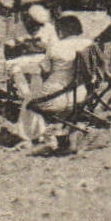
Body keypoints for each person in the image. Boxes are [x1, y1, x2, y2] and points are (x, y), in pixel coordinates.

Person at [15, 14, 92, 150]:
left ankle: (30, 136)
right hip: (81, 95)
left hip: (58, 98)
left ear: (61, 31)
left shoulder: (56, 47)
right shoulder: (89, 44)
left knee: (29, 101)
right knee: (37, 94)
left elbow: (44, 69)